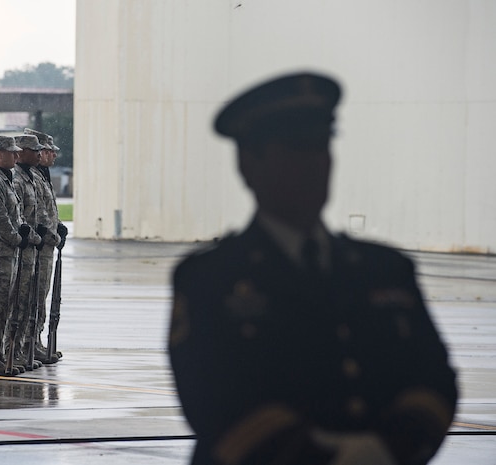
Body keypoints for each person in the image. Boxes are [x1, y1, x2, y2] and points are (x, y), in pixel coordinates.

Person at [168, 72, 458, 465]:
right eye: (295, 148)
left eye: (322, 146)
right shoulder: (211, 278)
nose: (315, 163)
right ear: (248, 164)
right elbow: (214, 403)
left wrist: (386, 451)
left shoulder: (386, 269)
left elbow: (433, 381)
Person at [0, 135, 30, 375]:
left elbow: (15, 216)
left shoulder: (5, 179)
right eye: (12, 152)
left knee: (7, 306)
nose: (16, 156)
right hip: (0, 255)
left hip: (10, 254)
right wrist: (18, 237)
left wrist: (22, 232)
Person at [24, 128, 65, 364]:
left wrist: (57, 227)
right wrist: (47, 234)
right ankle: (26, 344)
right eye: (48, 151)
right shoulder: (32, 177)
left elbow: (46, 212)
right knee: (29, 298)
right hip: (36, 247)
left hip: (45, 247)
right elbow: (33, 215)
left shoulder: (40, 177)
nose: (51, 156)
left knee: (40, 297)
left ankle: (34, 341)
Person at [10, 134, 46, 370]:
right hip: (17, 250)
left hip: (31, 249)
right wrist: (33, 237)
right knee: (12, 305)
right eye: (34, 150)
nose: (40, 154)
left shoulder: (31, 177)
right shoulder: (15, 179)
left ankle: (24, 346)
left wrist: (47, 234)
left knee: (28, 302)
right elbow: (14, 219)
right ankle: (8, 352)